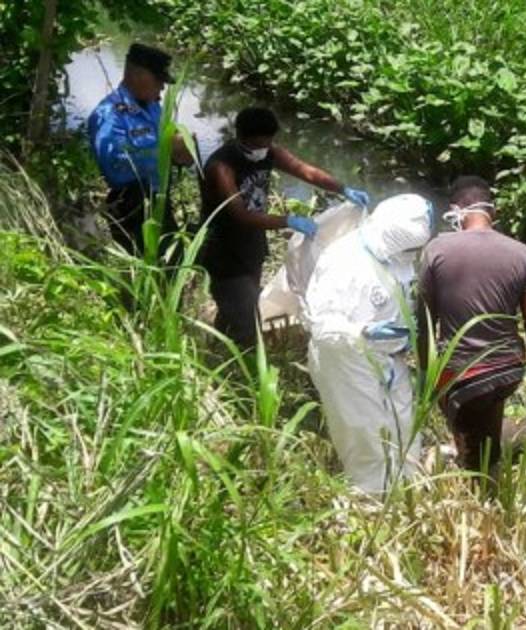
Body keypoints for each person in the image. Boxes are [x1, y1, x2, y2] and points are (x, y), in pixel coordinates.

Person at [415, 175, 526, 482]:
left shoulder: (436, 250)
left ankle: (481, 470)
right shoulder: (522, 253)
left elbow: (424, 321)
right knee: (484, 416)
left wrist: (425, 374)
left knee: (474, 454)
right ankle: (495, 443)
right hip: (508, 371)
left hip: (458, 375)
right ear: (493, 211)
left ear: (455, 211)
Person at [199, 106, 370, 348]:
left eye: (267, 144)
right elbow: (239, 215)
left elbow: (305, 171)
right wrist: (287, 221)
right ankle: (244, 360)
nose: (262, 150)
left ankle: (220, 346)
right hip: (223, 249)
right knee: (243, 310)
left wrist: (343, 189)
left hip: (251, 244)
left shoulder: (269, 153)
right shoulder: (222, 166)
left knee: (242, 304)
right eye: (257, 145)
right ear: (241, 137)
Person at [304, 193, 433, 495]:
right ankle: (372, 498)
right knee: (363, 431)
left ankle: (408, 488)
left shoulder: (396, 257)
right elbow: (320, 324)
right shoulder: (343, 260)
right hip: (346, 359)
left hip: (390, 355)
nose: (411, 255)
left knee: (403, 421)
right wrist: (362, 331)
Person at [87, 43, 194, 258]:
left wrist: (183, 153)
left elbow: (171, 145)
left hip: (159, 201)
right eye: (158, 81)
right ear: (137, 75)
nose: (162, 88)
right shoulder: (110, 115)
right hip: (132, 207)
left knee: (173, 260)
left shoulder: (153, 107)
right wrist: (165, 149)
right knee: (144, 262)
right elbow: (115, 167)